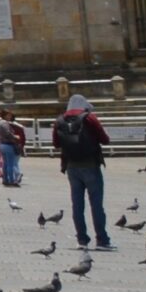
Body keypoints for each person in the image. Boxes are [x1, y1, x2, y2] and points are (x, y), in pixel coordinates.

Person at [55, 92, 112, 250]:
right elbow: (105, 140)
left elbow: (56, 143)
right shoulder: (89, 118)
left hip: (71, 166)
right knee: (96, 204)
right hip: (90, 165)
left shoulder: (60, 120)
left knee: (77, 205)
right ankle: (102, 240)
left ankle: (82, 240)